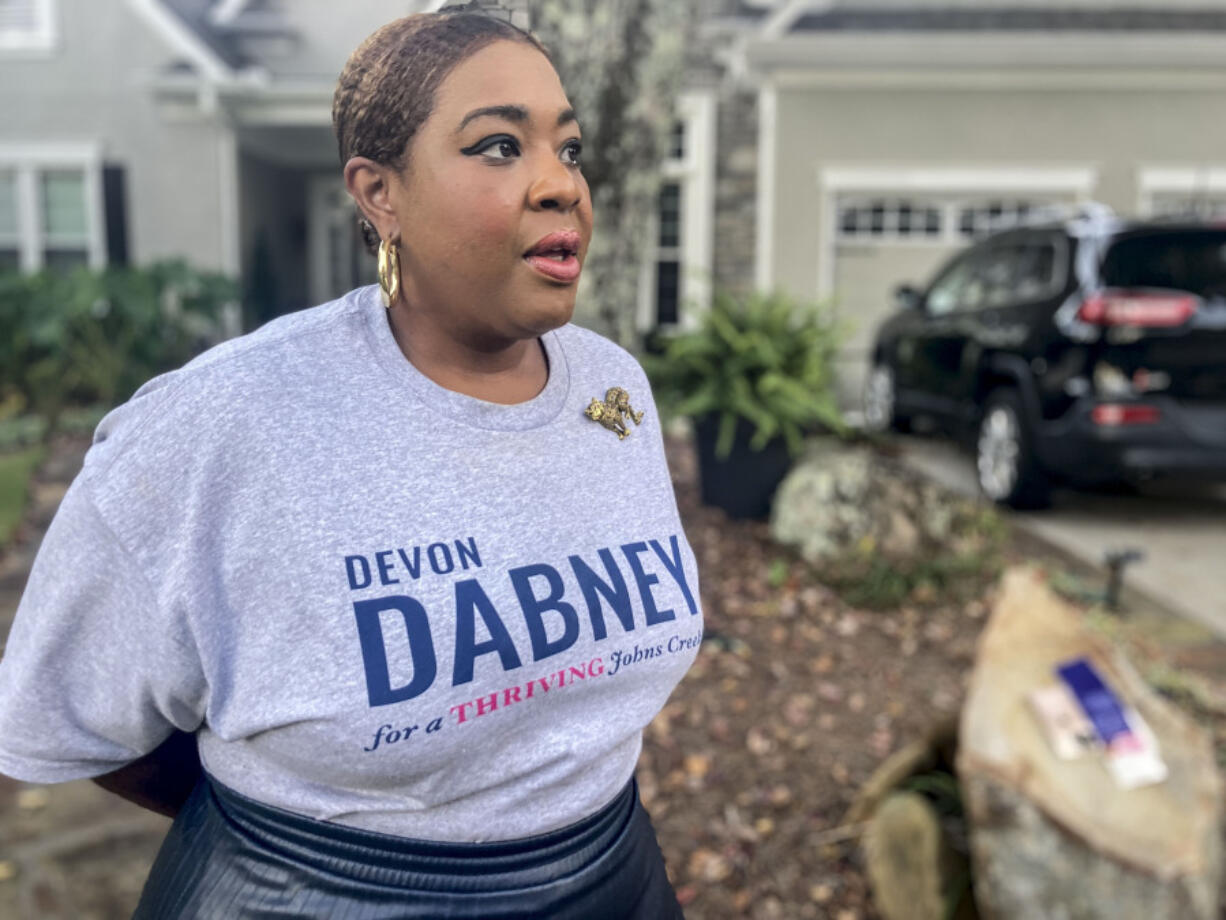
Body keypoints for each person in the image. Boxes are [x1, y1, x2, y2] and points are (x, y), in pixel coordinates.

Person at [0, 7, 702, 918]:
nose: (560, 184)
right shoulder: (224, 424)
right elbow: (72, 718)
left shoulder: (614, 388)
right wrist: (299, 820)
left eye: (569, 150)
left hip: (614, 878)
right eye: (498, 146)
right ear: (380, 195)